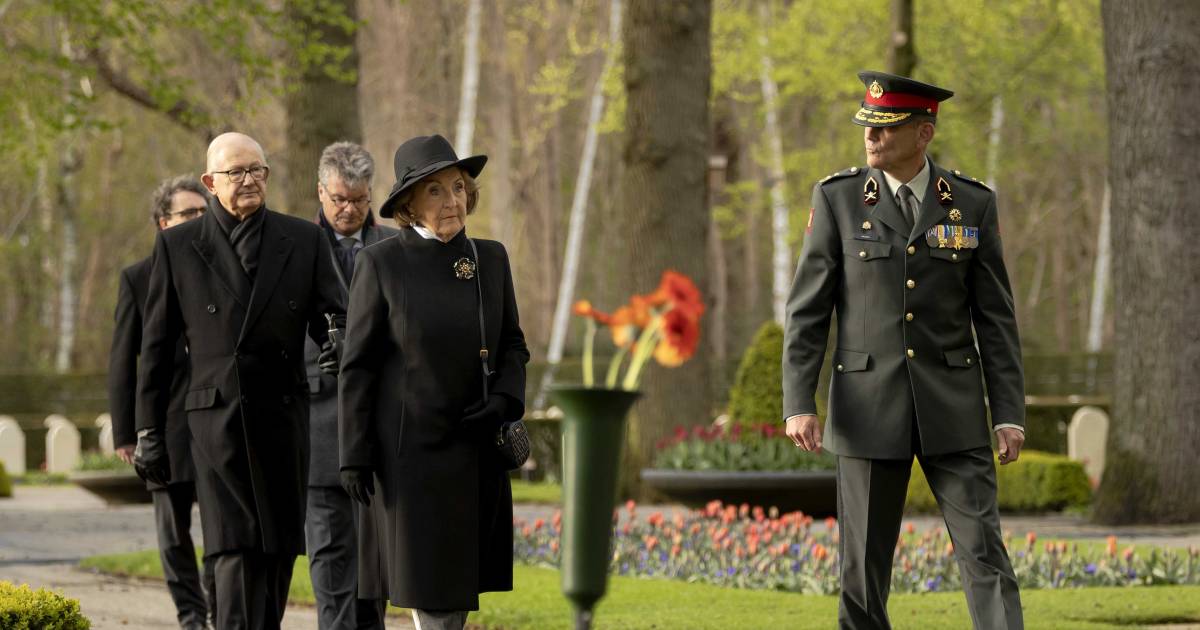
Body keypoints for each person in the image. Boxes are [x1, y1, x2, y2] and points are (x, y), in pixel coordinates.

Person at [782, 71, 1026, 630]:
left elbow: (996, 320)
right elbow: (808, 312)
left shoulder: (970, 203)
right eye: (867, 126)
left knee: (984, 553)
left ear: (924, 133)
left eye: (885, 128)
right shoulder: (839, 199)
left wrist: (1008, 413)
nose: (870, 137)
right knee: (863, 569)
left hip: (956, 408)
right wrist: (799, 401)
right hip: (867, 407)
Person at [134, 132, 346, 630]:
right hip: (216, 422)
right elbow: (157, 349)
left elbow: (334, 312)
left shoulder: (304, 239)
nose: (249, 181)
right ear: (210, 182)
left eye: (258, 171)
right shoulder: (178, 246)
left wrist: (337, 338)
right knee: (232, 550)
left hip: (282, 415)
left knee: (276, 551)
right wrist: (147, 431)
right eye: (236, 173)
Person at [339, 134, 529, 630]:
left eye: (458, 188)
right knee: (436, 601)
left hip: (475, 452)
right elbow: (357, 365)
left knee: (456, 597)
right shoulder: (380, 263)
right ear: (409, 205)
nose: (453, 201)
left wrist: (505, 401)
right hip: (409, 461)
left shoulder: (490, 258)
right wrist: (354, 453)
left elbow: (513, 344)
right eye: (436, 192)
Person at [108, 176, 216, 630]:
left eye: (202, 212)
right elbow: (123, 360)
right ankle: (191, 615)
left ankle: (221, 608)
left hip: (215, 421)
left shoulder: (220, 267)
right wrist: (126, 432)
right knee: (173, 532)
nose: (196, 220)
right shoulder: (137, 277)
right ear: (162, 222)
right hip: (164, 423)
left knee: (220, 529)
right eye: (187, 213)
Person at [303, 141, 396, 630]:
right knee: (331, 567)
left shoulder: (394, 248)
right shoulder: (294, 246)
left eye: (359, 200)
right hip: (319, 430)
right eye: (339, 199)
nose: (349, 210)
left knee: (373, 576)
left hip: (378, 435)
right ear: (320, 192)